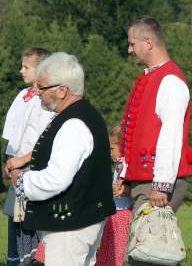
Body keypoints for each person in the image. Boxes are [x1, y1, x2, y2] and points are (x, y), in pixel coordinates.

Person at [9, 52, 116, 266]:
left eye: (42, 87)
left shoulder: (73, 124)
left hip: (70, 226)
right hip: (79, 220)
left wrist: (22, 181)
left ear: (62, 90)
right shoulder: (83, 114)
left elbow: (57, 179)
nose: (37, 92)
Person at [120, 16, 192, 265]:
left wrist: (161, 184)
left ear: (148, 42)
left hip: (157, 183)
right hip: (145, 181)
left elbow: (170, 135)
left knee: (148, 256)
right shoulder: (153, 77)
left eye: (132, 44)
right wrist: (126, 176)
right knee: (147, 255)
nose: (130, 50)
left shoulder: (170, 81)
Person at [2, 47, 52, 266]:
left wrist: (24, 165)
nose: (21, 71)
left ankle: (32, 261)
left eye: (26, 67)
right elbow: (14, 134)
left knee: (33, 226)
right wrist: (11, 163)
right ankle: (17, 261)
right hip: (17, 170)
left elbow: (45, 140)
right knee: (16, 221)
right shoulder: (23, 96)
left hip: (34, 171)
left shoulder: (48, 101)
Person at [96, 125, 133, 266]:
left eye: (112, 149)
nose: (109, 152)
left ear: (122, 147)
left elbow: (127, 187)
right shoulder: (119, 164)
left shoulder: (126, 164)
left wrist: (124, 189)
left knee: (119, 251)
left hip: (124, 214)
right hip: (115, 213)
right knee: (110, 250)